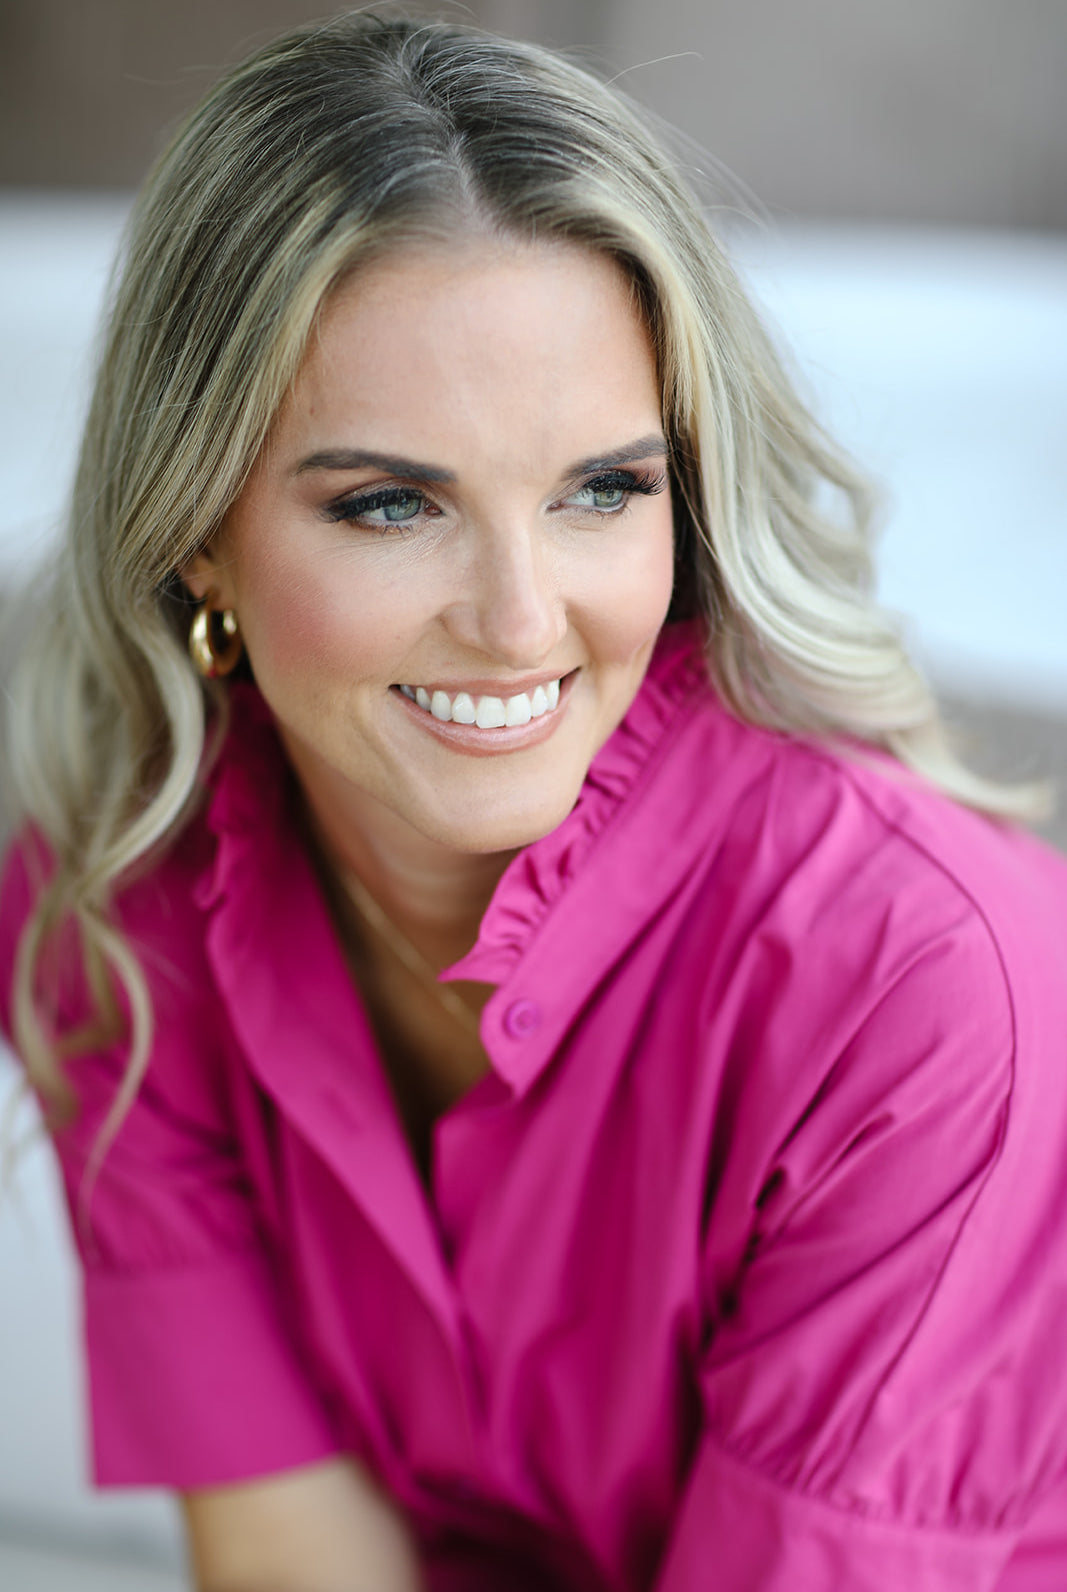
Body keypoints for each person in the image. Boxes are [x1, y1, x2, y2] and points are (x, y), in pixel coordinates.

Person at [2, 10, 1066, 1590]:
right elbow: (298, 1565)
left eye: (601, 490)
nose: (519, 621)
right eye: (389, 503)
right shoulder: (110, 896)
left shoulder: (923, 984)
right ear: (195, 534)